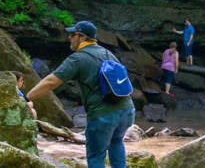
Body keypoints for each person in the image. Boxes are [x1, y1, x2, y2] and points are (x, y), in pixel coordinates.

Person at [26, 21, 135, 168]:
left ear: (82, 37)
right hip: (127, 110)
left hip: (103, 115)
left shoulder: (78, 58)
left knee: (96, 156)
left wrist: (27, 97)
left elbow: (51, 82)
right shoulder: (107, 53)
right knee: (116, 142)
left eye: (72, 35)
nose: (69, 38)